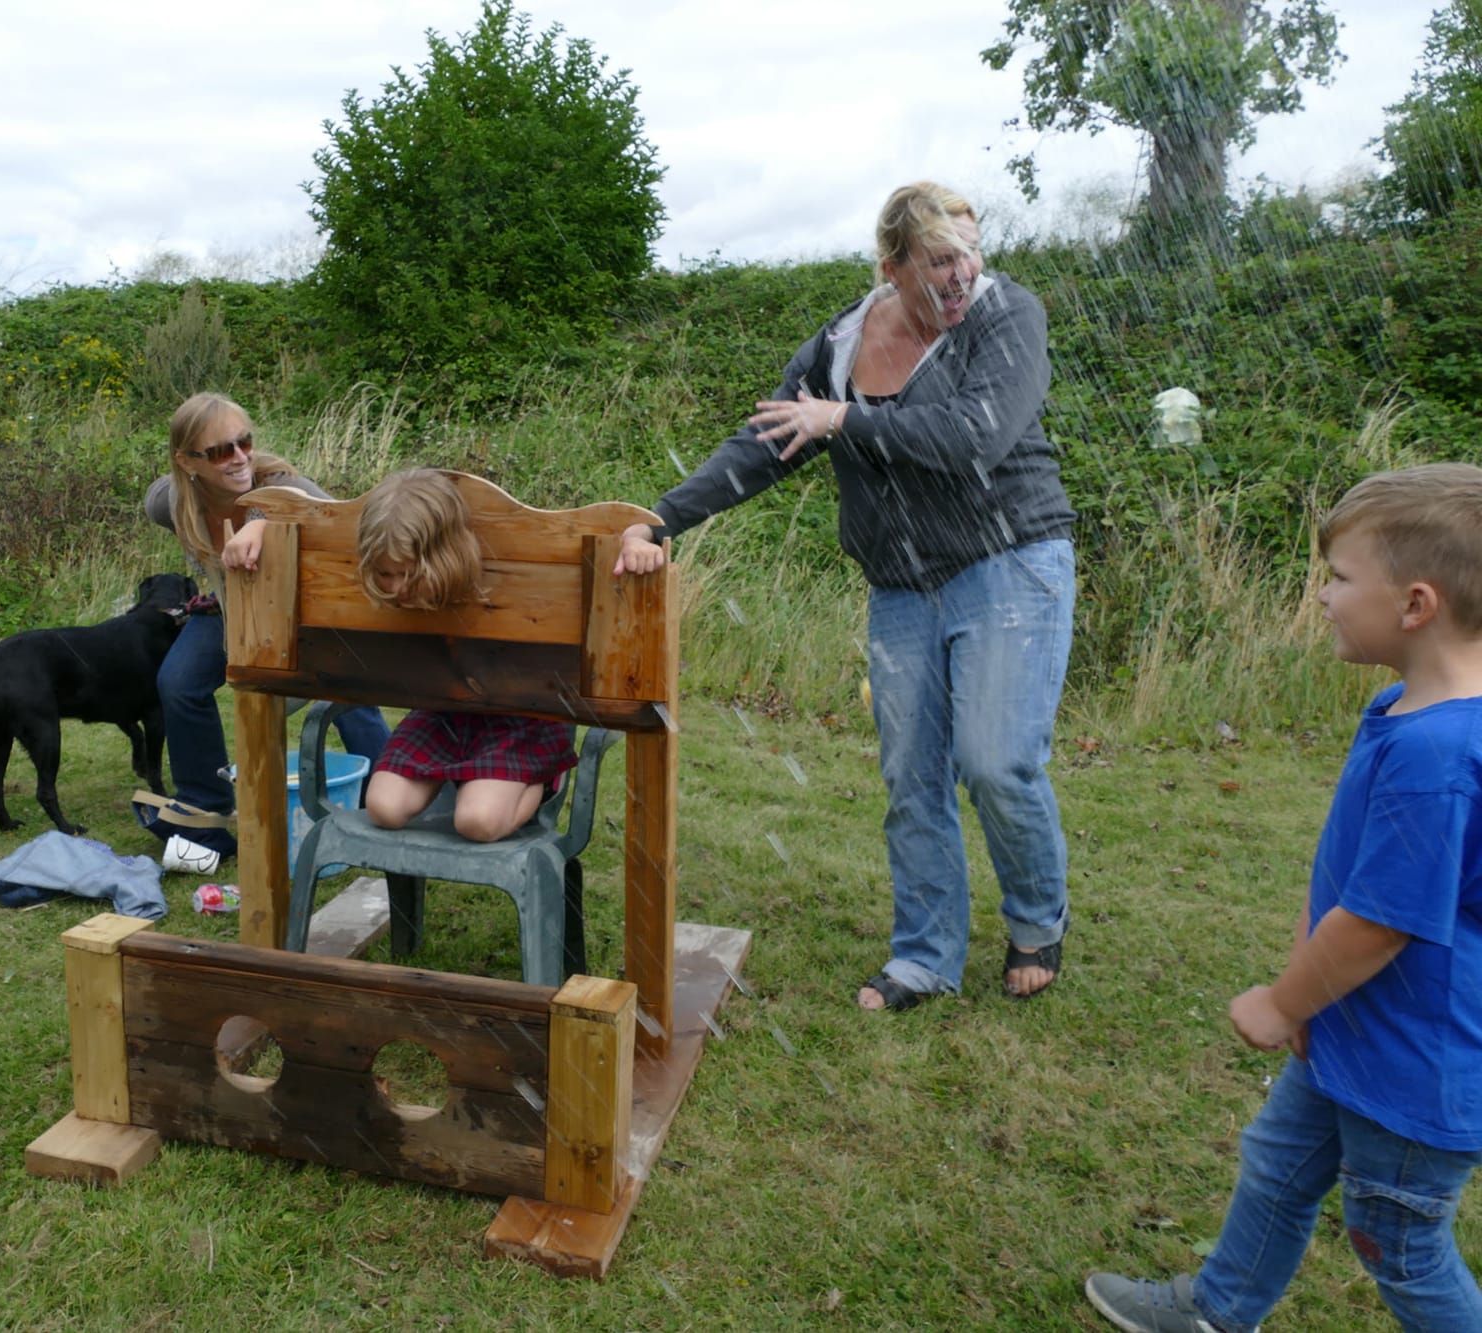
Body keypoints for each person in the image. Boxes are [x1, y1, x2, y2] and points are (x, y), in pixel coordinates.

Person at [615, 180, 1076, 1011]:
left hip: (1012, 562)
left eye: (971, 253)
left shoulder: (1009, 316)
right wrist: (663, 520)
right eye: (941, 261)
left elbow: (978, 436)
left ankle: (1037, 917)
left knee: (995, 761)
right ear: (892, 267)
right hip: (900, 581)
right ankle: (925, 955)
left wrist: (846, 423)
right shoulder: (840, 346)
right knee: (912, 776)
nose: (963, 275)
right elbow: (766, 443)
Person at [1084, 462, 1482, 1333]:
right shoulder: (1401, 708)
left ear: (1416, 605)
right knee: (1278, 1164)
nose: (1325, 596)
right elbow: (1357, 872)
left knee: (1396, 1242)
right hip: (1352, 1024)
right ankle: (1219, 1312)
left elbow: (1381, 924)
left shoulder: (1439, 756)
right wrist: (1312, 987)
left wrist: (1281, 999)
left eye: (1340, 578)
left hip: (1415, 1066)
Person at [141, 392, 390, 876]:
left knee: (347, 692)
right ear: (187, 461)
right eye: (218, 451)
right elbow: (156, 495)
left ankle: (393, 797)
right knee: (178, 682)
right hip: (230, 611)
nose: (238, 458)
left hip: (307, 613)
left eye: (244, 442)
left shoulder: (288, 486)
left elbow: (344, 520)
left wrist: (264, 521)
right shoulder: (170, 502)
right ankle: (205, 813)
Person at [352, 469, 581, 842]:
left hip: (519, 719)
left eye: (409, 574)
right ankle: (471, 778)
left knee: (476, 822)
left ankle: (541, 780)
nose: (396, 588)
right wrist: (257, 526)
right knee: (383, 808)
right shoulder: (399, 590)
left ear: (445, 555)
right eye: (385, 574)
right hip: (441, 711)